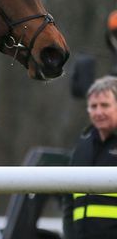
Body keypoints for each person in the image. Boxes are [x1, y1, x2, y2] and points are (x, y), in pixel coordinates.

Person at [62, 76, 117, 239]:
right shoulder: (83, 145)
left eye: (105, 105)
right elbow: (69, 199)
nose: (98, 112)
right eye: (93, 106)